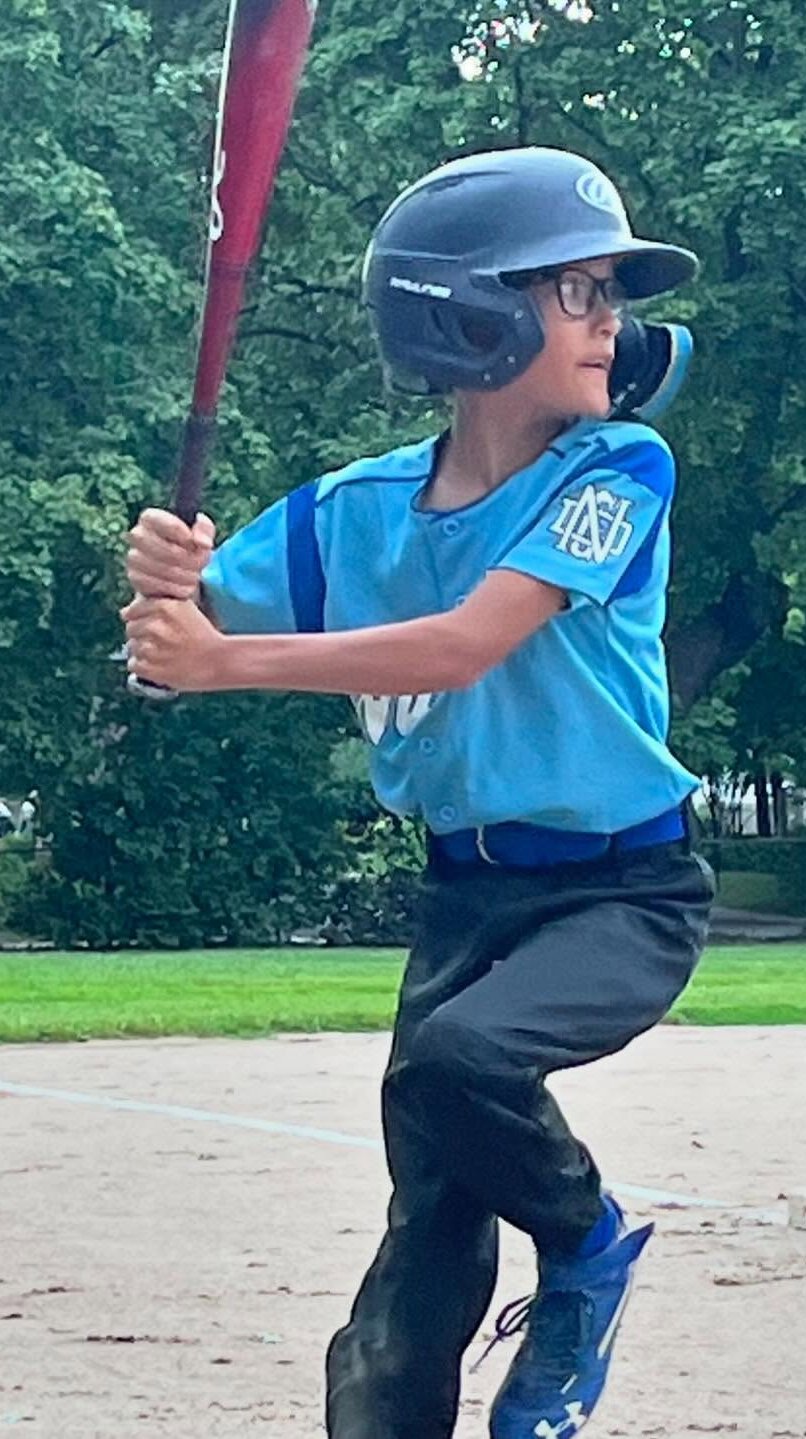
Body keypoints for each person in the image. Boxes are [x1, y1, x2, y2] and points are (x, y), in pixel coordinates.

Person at [123, 147, 714, 1439]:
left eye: (608, 291)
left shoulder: (612, 471)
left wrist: (219, 660)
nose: (610, 319)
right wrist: (167, 592)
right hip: (462, 900)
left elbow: (462, 642)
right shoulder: (352, 514)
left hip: (621, 892)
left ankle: (586, 1245)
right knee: (420, 1237)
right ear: (471, 312)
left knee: (463, 1057)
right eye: (577, 290)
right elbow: (170, 651)